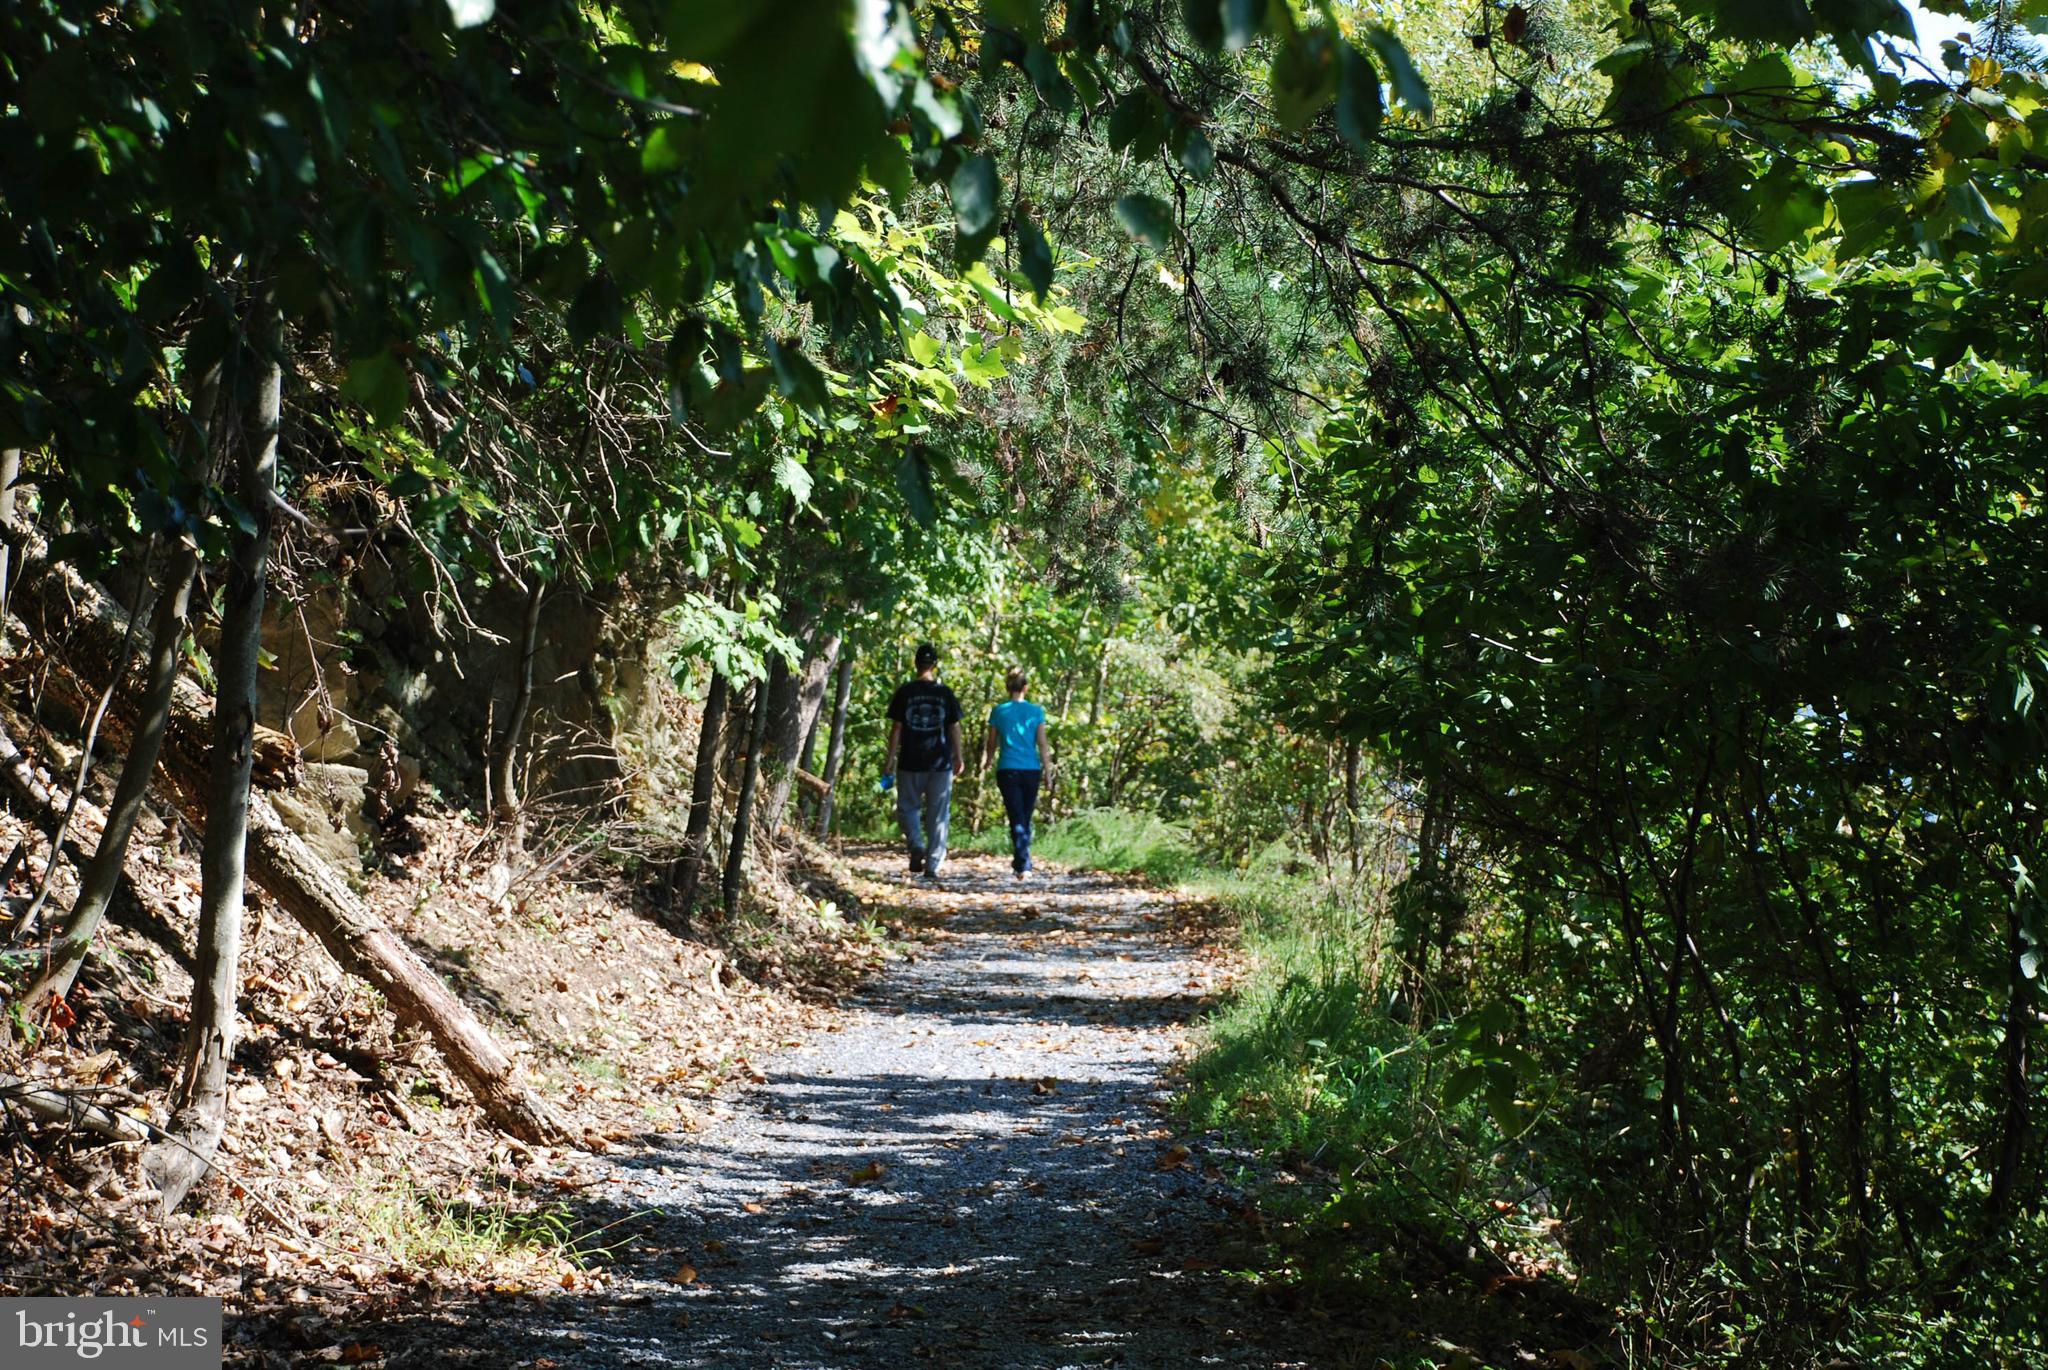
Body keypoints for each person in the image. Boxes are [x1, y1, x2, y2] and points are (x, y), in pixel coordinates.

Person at [883, 642, 964, 880]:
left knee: (907, 808)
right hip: (939, 762)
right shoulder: (944, 693)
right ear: (935, 665)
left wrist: (890, 759)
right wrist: (958, 756)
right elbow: (954, 727)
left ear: (916, 663)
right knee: (938, 814)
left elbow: (896, 728)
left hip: (910, 760)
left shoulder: (905, 692)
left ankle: (916, 844)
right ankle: (933, 864)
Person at [983, 666, 1050, 878]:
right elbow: (1042, 744)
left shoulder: (999, 711)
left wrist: (988, 761)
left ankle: (1022, 862)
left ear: (1007, 687)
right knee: (1023, 817)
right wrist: (1048, 771)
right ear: (1026, 688)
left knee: (1017, 816)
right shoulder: (1036, 711)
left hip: (1008, 768)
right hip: (1031, 769)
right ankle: (1023, 863)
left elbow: (991, 743)